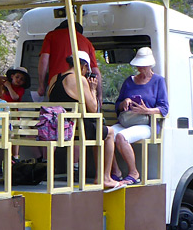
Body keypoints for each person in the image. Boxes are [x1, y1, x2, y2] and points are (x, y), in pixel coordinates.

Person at [45, 51, 121, 190]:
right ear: (83, 66)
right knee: (109, 133)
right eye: (87, 70)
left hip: (58, 126)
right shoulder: (80, 80)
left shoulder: (55, 78)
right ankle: (104, 177)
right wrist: (93, 90)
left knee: (98, 131)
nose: (86, 73)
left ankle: (103, 176)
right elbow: (93, 109)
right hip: (75, 128)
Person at [110, 47, 169, 185]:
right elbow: (117, 104)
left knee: (121, 137)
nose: (140, 68)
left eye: (143, 66)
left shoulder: (158, 81)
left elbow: (164, 108)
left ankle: (134, 173)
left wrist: (146, 110)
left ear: (150, 65)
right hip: (127, 120)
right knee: (106, 134)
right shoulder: (129, 81)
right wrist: (124, 102)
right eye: (139, 65)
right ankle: (115, 171)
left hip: (147, 123)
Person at [38, 20, 101, 102]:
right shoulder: (87, 43)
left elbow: (44, 60)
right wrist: (99, 96)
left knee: (52, 111)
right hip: (79, 86)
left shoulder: (52, 36)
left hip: (56, 84)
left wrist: (41, 85)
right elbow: (96, 71)